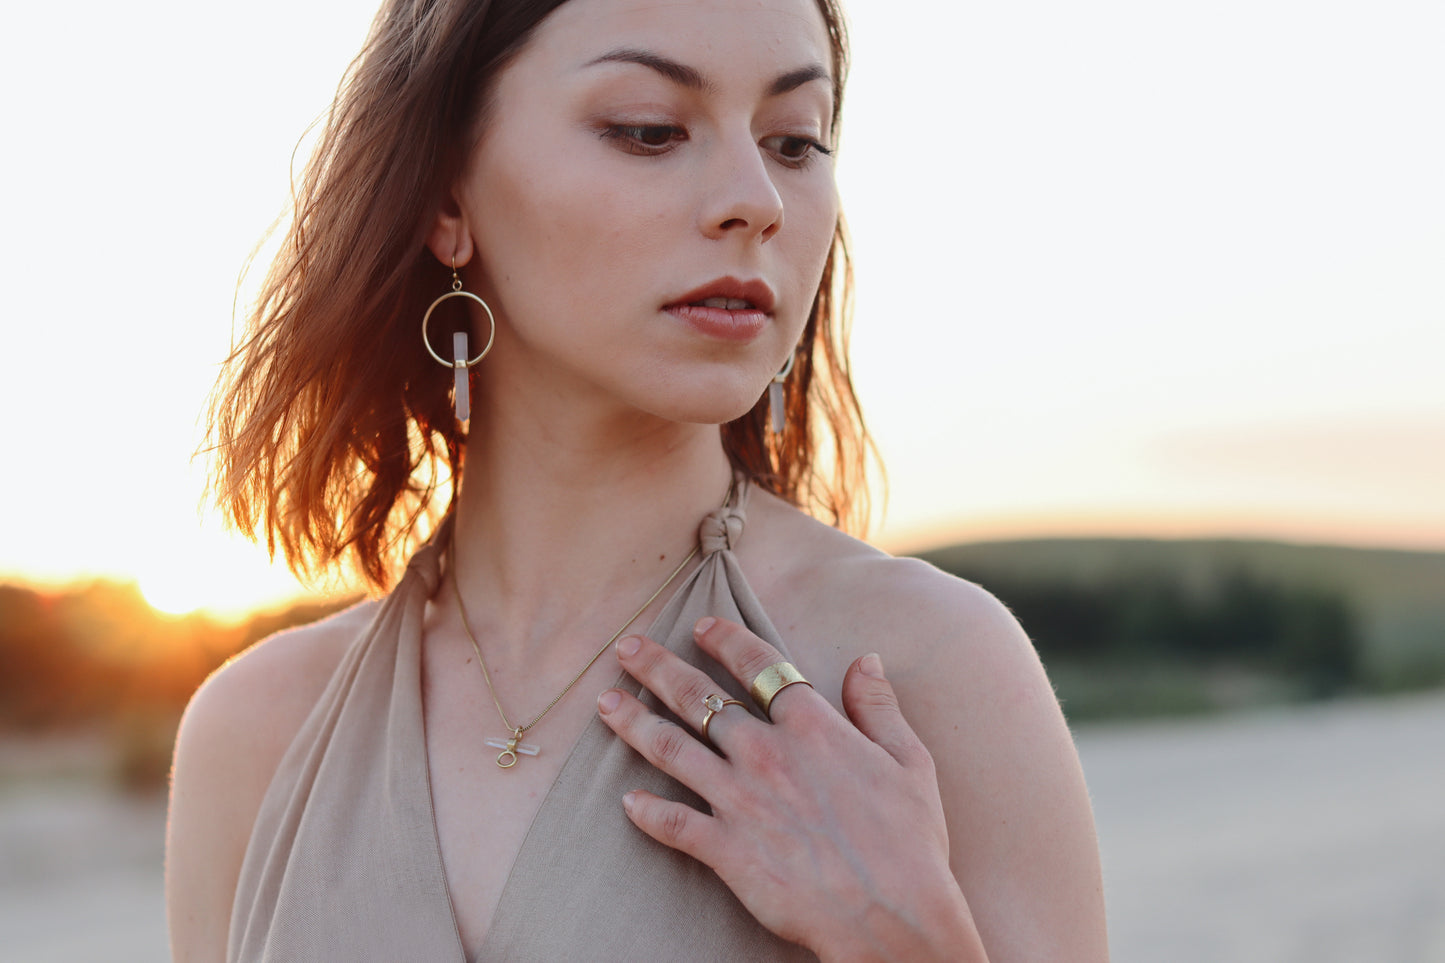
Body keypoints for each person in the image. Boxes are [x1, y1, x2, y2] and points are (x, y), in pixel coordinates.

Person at [165, 0, 1108, 959]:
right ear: (445, 199)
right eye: (649, 130)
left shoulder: (923, 675)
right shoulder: (255, 733)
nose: (757, 199)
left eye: (793, 142)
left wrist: (907, 939)